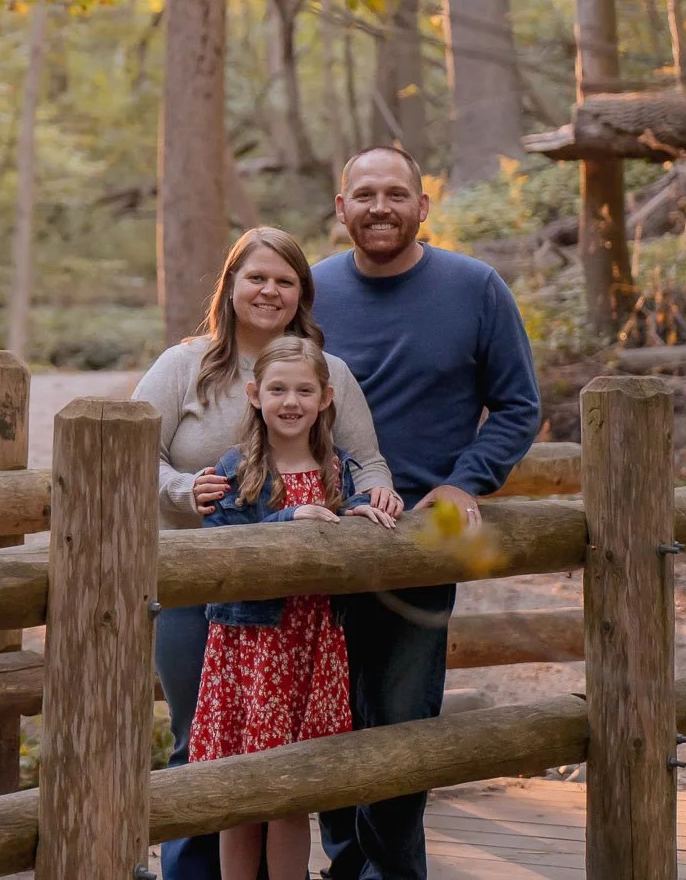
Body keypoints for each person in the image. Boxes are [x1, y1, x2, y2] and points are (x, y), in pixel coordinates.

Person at [133, 226, 404, 880]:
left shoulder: (324, 371)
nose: (269, 291)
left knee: (292, 756)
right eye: (256, 277)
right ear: (230, 286)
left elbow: (364, 459)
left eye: (285, 281)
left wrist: (378, 494)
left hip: (298, 607)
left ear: (302, 295)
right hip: (195, 587)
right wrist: (181, 489)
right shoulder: (183, 366)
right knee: (201, 743)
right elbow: (130, 459)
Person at [312, 147, 542, 880]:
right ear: (341, 206)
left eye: (397, 194)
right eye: (365, 194)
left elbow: (517, 406)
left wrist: (465, 482)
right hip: (320, 537)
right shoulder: (309, 292)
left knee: (406, 721)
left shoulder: (475, 287)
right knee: (329, 719)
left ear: (422, 206)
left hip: (423, 538)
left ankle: (395, 873)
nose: (381, 207)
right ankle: (346, 868)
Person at [188, 335, 399, 880]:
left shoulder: (339, 468)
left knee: (292, 793)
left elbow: (345, 528)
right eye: (278, 389)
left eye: (305, 390)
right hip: (251, 648)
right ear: (255, 395)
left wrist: (361, 517)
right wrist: (289, 521)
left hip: (311, 643)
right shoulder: (236, 469)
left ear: (326, 398)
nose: (291, 402)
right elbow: (223, 544)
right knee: (241, 791)